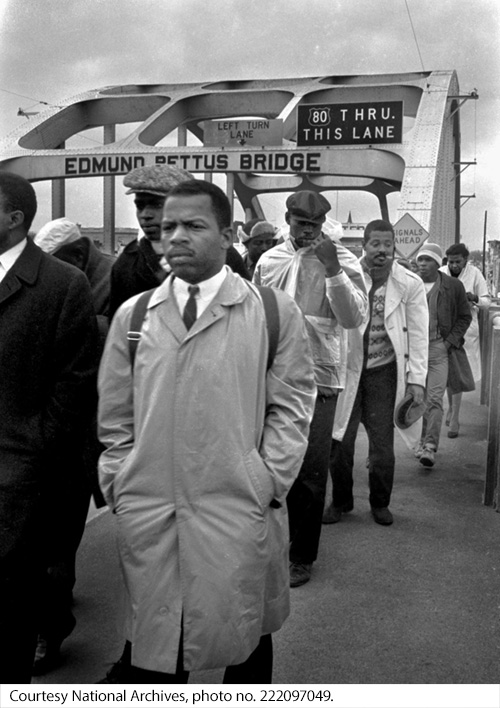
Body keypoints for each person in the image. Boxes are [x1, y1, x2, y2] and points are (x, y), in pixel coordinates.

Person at [97, 179, 316, 683]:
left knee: (246, 642)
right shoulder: (134, 317)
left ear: (226, 233)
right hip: (153, 510)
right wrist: (121, 481)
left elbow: (292, 407)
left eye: (193, 226)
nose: (175, 236)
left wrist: (266, 481)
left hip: (239, 506)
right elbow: (115, 418)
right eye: (168, 225)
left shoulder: (271, 312)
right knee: (158, 646)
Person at [0, 172, 99, 683]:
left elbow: (74, 386)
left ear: (14, 219)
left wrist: (29, 456)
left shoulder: (62, 285)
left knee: (11, 608)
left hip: (20, 481)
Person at [253, 191, 367, 587]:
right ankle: (268, 547)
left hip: (320, 379)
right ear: (288, 220)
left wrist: (332, 269)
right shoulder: (269, 260)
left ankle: (301, 556)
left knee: (310, 470)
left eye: (315, 225)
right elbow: (254, 310)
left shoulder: (344, 260)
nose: (308, 231)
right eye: (301, 223)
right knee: (265, 462)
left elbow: (352, 319)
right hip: (271, 374)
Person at [31, 217, 115, 674]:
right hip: (48, 435)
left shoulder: (112, 287)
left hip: (83, 436)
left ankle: (50, 631)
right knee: (50, 542)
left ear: (78, 257)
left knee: (55, 544)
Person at [323, 219, 429, 527]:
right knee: (339, 441)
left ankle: (380, 503)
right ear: (364, 246)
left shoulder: (409, 283)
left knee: (382, 447)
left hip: (384, 374)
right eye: (375, 244)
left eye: (387, 244)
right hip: (347, 370)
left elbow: (419, 335)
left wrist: (416, 380)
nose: (382, 251)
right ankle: (341, 502)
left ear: (394, 246)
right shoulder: (348, 275)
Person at [109, 165, 248, 319]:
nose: (145, 214)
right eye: (140, 206)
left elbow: (248, 314)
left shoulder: (222, 254)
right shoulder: (126, 264)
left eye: (157, 205)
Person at [415, 243, 472, 467]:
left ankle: (429, 446)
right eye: (420, 259)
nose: (422, 264)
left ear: (438, 263)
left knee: (435, 398)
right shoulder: (409, 283)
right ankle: (417, 442)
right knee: (414, 398)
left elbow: (464, 317)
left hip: (439, 348)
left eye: (428, 259)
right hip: (413, 350)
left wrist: (449, 342)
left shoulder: (453, 286)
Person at [440, 243, 491, 437]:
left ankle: (455, 418)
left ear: (465, 261)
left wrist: (475, 297)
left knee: (459, 374)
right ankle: (451, 408)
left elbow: (486, 303)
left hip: (466, 330)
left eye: (457, 262)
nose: (453, 265)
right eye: (451, 261)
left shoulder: (475, 273)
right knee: (447, 373)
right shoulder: (440, 272)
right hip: (445, 329)